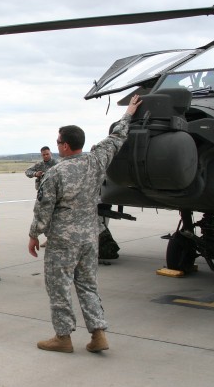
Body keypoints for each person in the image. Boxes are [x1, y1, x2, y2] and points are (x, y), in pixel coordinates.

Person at [28, 95, 142, 353]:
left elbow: (43, 208)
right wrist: (129, 114)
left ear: (66, 146)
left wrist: (34, 234)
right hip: (90, 237)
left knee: (59, 286)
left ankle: (63, 337)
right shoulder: (96, 160)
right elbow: (116, 139)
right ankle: (98, 333)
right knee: (88, 285)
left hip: (63, 241)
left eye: (58, 142)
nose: (57, 146)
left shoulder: (55, 172)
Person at [25, 146, 58, 248]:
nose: (46, 156)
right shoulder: (39, 164)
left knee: (55, 218)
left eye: (47, 154)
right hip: (43, 195)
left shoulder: (57, 164)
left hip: (55, 195)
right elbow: (27, 171)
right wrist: (36, 173)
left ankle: (53, 239)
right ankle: (49, 238)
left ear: (50, 153)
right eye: (43, 154)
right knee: (43, 217)